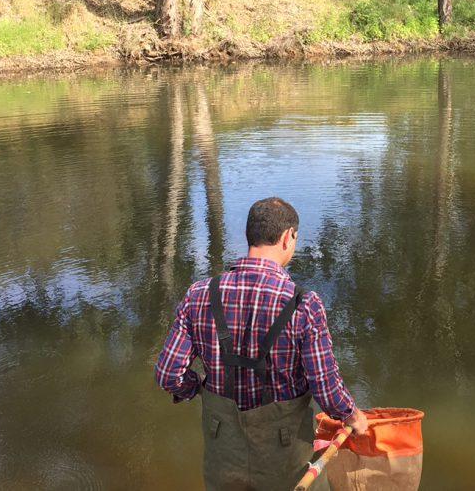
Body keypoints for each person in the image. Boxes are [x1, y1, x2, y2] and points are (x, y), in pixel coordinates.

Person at [155, 197, 367, 490]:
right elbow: (325, 386)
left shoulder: (199, 294)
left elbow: (168, 374)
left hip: (222, 448)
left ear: (250, 235)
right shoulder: (305, 304)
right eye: (295, 239)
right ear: (286, 238)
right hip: (284, 454)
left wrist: (200, 388)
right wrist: (353, 416)